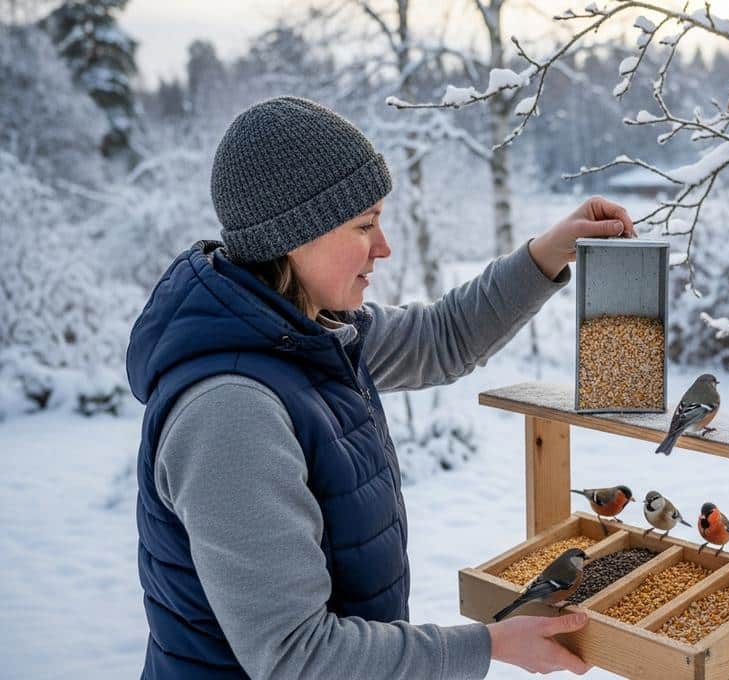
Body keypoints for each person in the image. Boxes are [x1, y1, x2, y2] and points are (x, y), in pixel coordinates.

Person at [126, 96, 636, 679]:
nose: (384, 246)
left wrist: (546, 254)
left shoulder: (312, 333)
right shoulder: (231, 414)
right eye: (363, 225)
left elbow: (442, 337)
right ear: (294, 236)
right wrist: (489, 644)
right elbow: (299, 657)